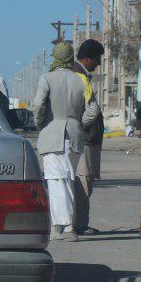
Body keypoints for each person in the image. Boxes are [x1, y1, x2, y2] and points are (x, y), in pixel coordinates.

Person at [32, 41, 100, 242]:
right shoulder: (81, 80)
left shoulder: (47, 78)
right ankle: (68, 224)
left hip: (53, 134)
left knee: (55, 180)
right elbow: (94, 109)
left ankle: (61, 227)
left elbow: (38, 105)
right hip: (75, 134)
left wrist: (40, 123)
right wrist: (79, 122)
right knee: (68, 178)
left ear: (55, 57)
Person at [73, 39, 105, 235]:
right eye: (97, 59)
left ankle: (79, 222)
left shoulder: (80, 75)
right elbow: (89, 111)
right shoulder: (80, 78)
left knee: (84, 182)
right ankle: (79, 224)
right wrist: (78, 126)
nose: (99, 63)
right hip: (84, 139)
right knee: (82, 183)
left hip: (87, 139)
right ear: (88, 58)